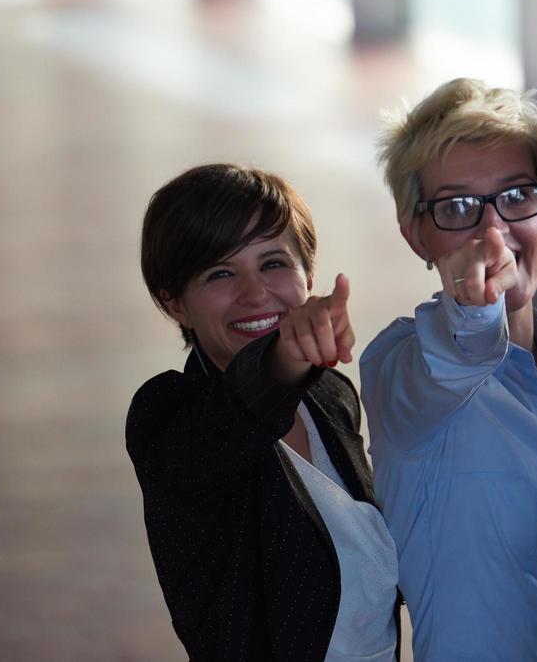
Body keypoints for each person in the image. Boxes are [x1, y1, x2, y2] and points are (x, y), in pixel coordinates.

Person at [361, 78, 537, 660]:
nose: (493, 231)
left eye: (516, 196)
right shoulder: (401, 366)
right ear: (417, 236)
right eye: (457, 207)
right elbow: (453, 357)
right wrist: (472, 308)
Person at [127, 163, 399, 662]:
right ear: (175, 304)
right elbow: (228, 428)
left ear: (309, 276)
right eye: (220, 273)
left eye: (273, 263)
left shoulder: (331, 396)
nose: (255, 293)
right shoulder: (167, 416)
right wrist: (282, 363)